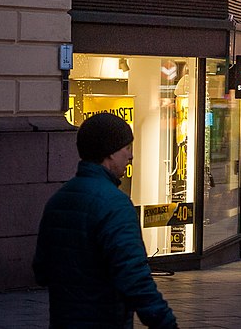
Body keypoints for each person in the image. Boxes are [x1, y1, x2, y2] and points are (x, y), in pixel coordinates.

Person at [33, 113, 178, 328]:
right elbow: (135, 278)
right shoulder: (115, 205)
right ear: (110, 153)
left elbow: (41, 272)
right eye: (127, 148)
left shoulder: (58, 199)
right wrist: (165, 322)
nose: (131, 156)